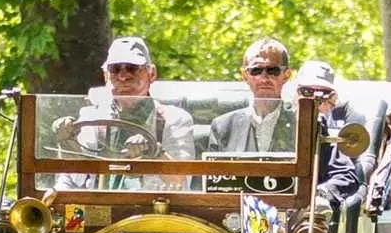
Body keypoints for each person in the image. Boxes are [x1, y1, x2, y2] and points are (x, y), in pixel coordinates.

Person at [208, 39, 358, 208]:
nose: (264, 78)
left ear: (286, 75)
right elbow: (206, 185)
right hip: (233, 221)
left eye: (272, 71)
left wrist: (317, 197)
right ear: (245, 75)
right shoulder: (223, 126)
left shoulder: (308, 122)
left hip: (292, 220)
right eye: (256, 71)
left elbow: (345, 175)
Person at [53, 36, 195, 190]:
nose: (123, 76)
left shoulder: (174, 120)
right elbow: (74, 178)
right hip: (98, 208)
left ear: (152, 74)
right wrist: (67, 142)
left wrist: (154, 152)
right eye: (115, 69)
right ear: (106, 75)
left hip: (153, 211)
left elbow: (181, 181)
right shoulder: (92, 118)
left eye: (132, 68)